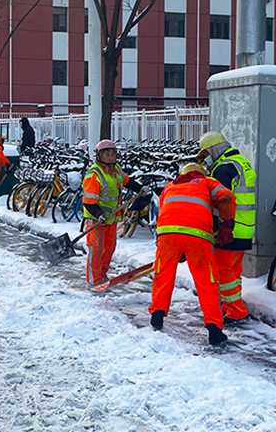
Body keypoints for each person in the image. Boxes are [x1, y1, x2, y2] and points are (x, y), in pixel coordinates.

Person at [149, 162, 237, 346]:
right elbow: (226, 197)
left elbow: (166, 209)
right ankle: (214, 329)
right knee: (207, 281)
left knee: (163, 274)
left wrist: (177, 246)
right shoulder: (208, 182)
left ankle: (157, 315)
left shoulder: (170, 185)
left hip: (167, 234)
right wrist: (226, 226)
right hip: (198, 235)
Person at [197, 131, 256, 324]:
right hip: (244, 227)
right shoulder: (241, 162)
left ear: (213, 149)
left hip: (229, 228)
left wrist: (216, 229)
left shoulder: (223, 168)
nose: (205, 159)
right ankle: (231, 306)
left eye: (206, 154)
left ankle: (235, 311)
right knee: (233, 272)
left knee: (224, 273)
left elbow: (220, 204)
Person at [81, 140, 146, 286]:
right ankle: (93, 280)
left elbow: (127, 181)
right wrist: (99, 215)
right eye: (107, 154)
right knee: (96, 251)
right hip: (96, 219)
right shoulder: (94, 175)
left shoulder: (115, 169)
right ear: (99, 156)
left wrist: (141, 189)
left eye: (113, 154)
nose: (110, 157)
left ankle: (102, 274)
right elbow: (88, 201)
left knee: (109, 248)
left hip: (111, 219)